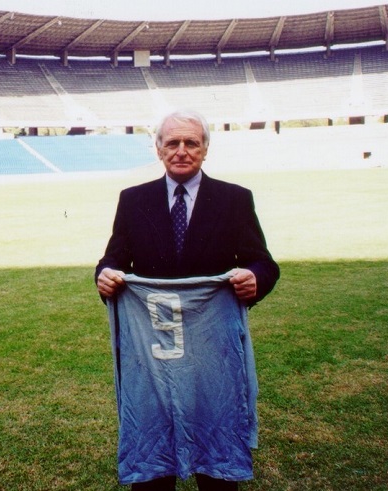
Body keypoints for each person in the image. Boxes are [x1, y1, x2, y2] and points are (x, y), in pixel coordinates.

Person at [95, 109, 280, 491]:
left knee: (215, 438)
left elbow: (263, 262)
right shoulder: (133, 200)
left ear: (205, 149)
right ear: (159, 149)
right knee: (154, 440)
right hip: (154, 347)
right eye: (172, 142)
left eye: (191, 143)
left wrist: (255, 279)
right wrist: (106, 274)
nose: (181, 150)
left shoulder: (234, 199)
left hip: (211, 349)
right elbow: (114, 259)